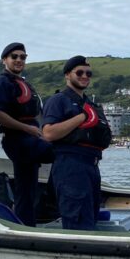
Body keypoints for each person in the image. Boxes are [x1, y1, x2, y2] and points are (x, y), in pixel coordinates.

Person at [41, 56, 112, 230]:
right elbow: (48, 133)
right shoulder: (58, 101)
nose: (84, 76)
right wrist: (81, 117)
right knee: (78, 221)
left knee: (91, 217)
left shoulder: (92, 105)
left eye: (88, 73)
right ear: (67, 75)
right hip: (71, 165)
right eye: (79, 72)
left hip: (92, 166)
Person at [0, 42, 54, 225]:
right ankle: (49, 204)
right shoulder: (2, 82)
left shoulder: (23, 83)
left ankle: (26, 222)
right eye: (14, 57)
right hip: (18, 139)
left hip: (31, 137)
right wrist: (27, 129)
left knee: (27, 187)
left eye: (23, 57)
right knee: (63, 155)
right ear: (5, 60)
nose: (19, 60)